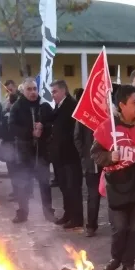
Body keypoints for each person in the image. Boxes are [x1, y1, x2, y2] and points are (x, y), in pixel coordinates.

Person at [91, 85, 135, 270]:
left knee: (134, 228)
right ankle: (116, 258)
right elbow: (95, 154)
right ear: (122, 105)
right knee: (120, 228)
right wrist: (109, 157)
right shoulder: (107, 128)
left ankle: (129, 266)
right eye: (134, 102)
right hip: (116, 186)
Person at [9, 78, 54, 223]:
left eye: (35, 89)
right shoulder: (17, 107)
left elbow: (52, 124)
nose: (33, 92)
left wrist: (44, 127)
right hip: (24, 152)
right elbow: (12, 128)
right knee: (23, 184)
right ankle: (22, 213)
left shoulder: (44, 106)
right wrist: (30, 132)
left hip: (42, 152)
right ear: (23, 91)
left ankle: (48, 212)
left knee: (45, 184)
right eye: (29, 89)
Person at [46, 80, 84, 228]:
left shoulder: (72, 105)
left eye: (55, 92)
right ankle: (68, 214)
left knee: (73, 188)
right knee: (64, 187)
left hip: (70, 155)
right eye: (52, 92)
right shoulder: (59, 105)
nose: (53, 95)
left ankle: (77, 218)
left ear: (64, 91)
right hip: (59, 156)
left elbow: (74, 132)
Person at [73, 90, 101, 237]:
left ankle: (119, 225)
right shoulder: (84, 115)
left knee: (115, 196)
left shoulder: (110, 113)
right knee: (93, 196)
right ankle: (91, 225)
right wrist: (85, 156)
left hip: (110, 162)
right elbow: (77, 137)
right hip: (92, 163)